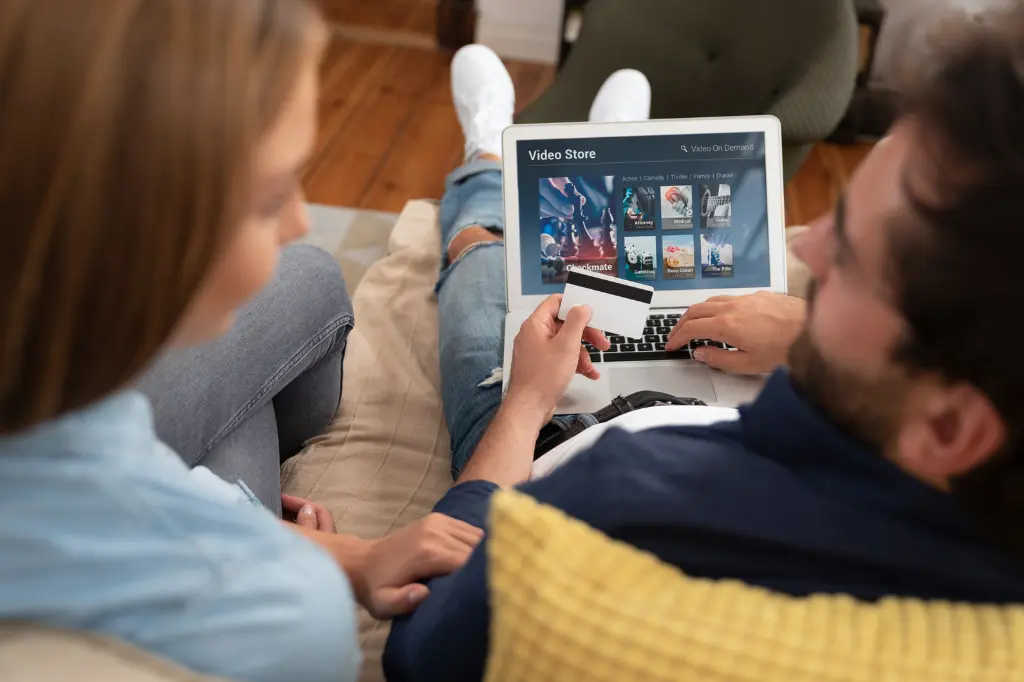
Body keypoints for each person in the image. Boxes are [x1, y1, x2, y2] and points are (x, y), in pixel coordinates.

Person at [385, 10, 1024, 681]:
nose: (805, 246)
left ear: (950, 426)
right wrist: (804, 332)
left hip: (564, 434)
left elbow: (422, 648)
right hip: (729, 410)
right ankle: (604, 160)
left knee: (484, 263)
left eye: (853, 260)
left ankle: (485, 153)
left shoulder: (605, 507)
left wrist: (523, 404)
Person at [0, 2, 481, 682]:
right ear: (132, 241)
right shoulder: (281, 614)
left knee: (306, 279)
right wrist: (292, 560)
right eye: (270, 196)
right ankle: (484, 160)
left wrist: (339, 555)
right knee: (309, 280)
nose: (300, 217)